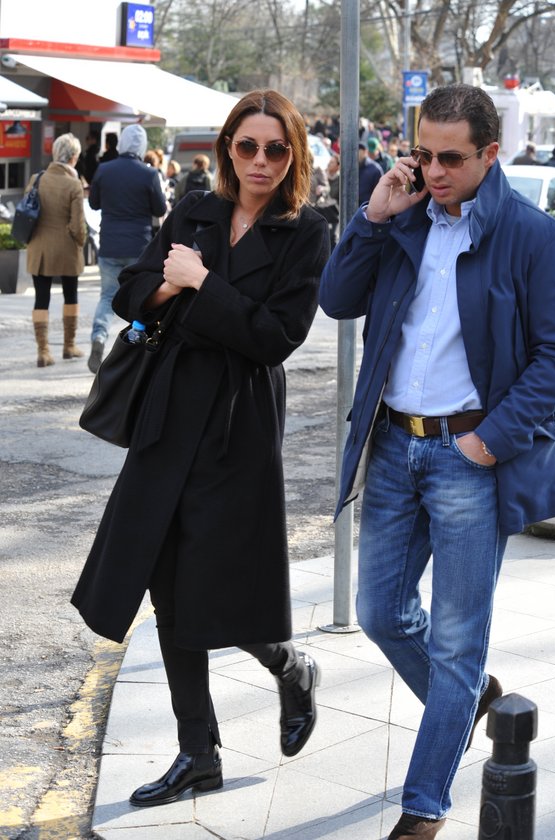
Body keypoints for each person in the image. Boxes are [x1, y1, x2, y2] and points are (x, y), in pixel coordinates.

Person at [72, 89, 330, 808]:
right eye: (246, 146)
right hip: (168, 412)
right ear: (226, 150)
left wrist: (202, 284)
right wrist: (167, 288)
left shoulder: (306, 231)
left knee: (217, 581)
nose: (259, 161)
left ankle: (288, 664)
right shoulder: (194, 209)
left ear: (293, 156)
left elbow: (275, 337)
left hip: (237, 423)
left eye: (275, 149)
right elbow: (130, 290)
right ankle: (198, 753)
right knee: (163, 580)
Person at [320, 83, 555, 840]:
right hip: (393, 443)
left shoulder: (533, 236)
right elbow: (336, 300)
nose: (432, 171)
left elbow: (554, 356)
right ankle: (467, 698)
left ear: (491, 153)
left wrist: (491, 439)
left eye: (450, 159)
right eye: (422, 154)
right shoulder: (404, 217)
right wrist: (371, 218)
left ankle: (424, 807)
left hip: (469, 456)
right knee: (379, 614)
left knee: (456, 643)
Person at [86, 124, 167, 373]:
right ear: (142, 147)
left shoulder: (104, 169)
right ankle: (134, 345)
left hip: (109, 244)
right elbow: (160, 209)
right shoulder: (149, 174)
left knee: (107, 296)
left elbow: (94, 203)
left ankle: (99, 338)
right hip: (139, 247)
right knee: (140, 297)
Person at [26, 133, 87, 367]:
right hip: (66, 249)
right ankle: (69, 346)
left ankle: (43, 351)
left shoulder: (37, 179)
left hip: (39, 248)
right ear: (73, 157)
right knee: (71, 295)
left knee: (41, 298)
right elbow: (77, 225)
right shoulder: (73, 184)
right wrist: (81, 242)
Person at [358, 141, 383, 205]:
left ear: (365, 152)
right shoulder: (350, 167)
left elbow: (379, 192)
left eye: (359, 151)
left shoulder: (375, 169)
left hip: (367, 206)